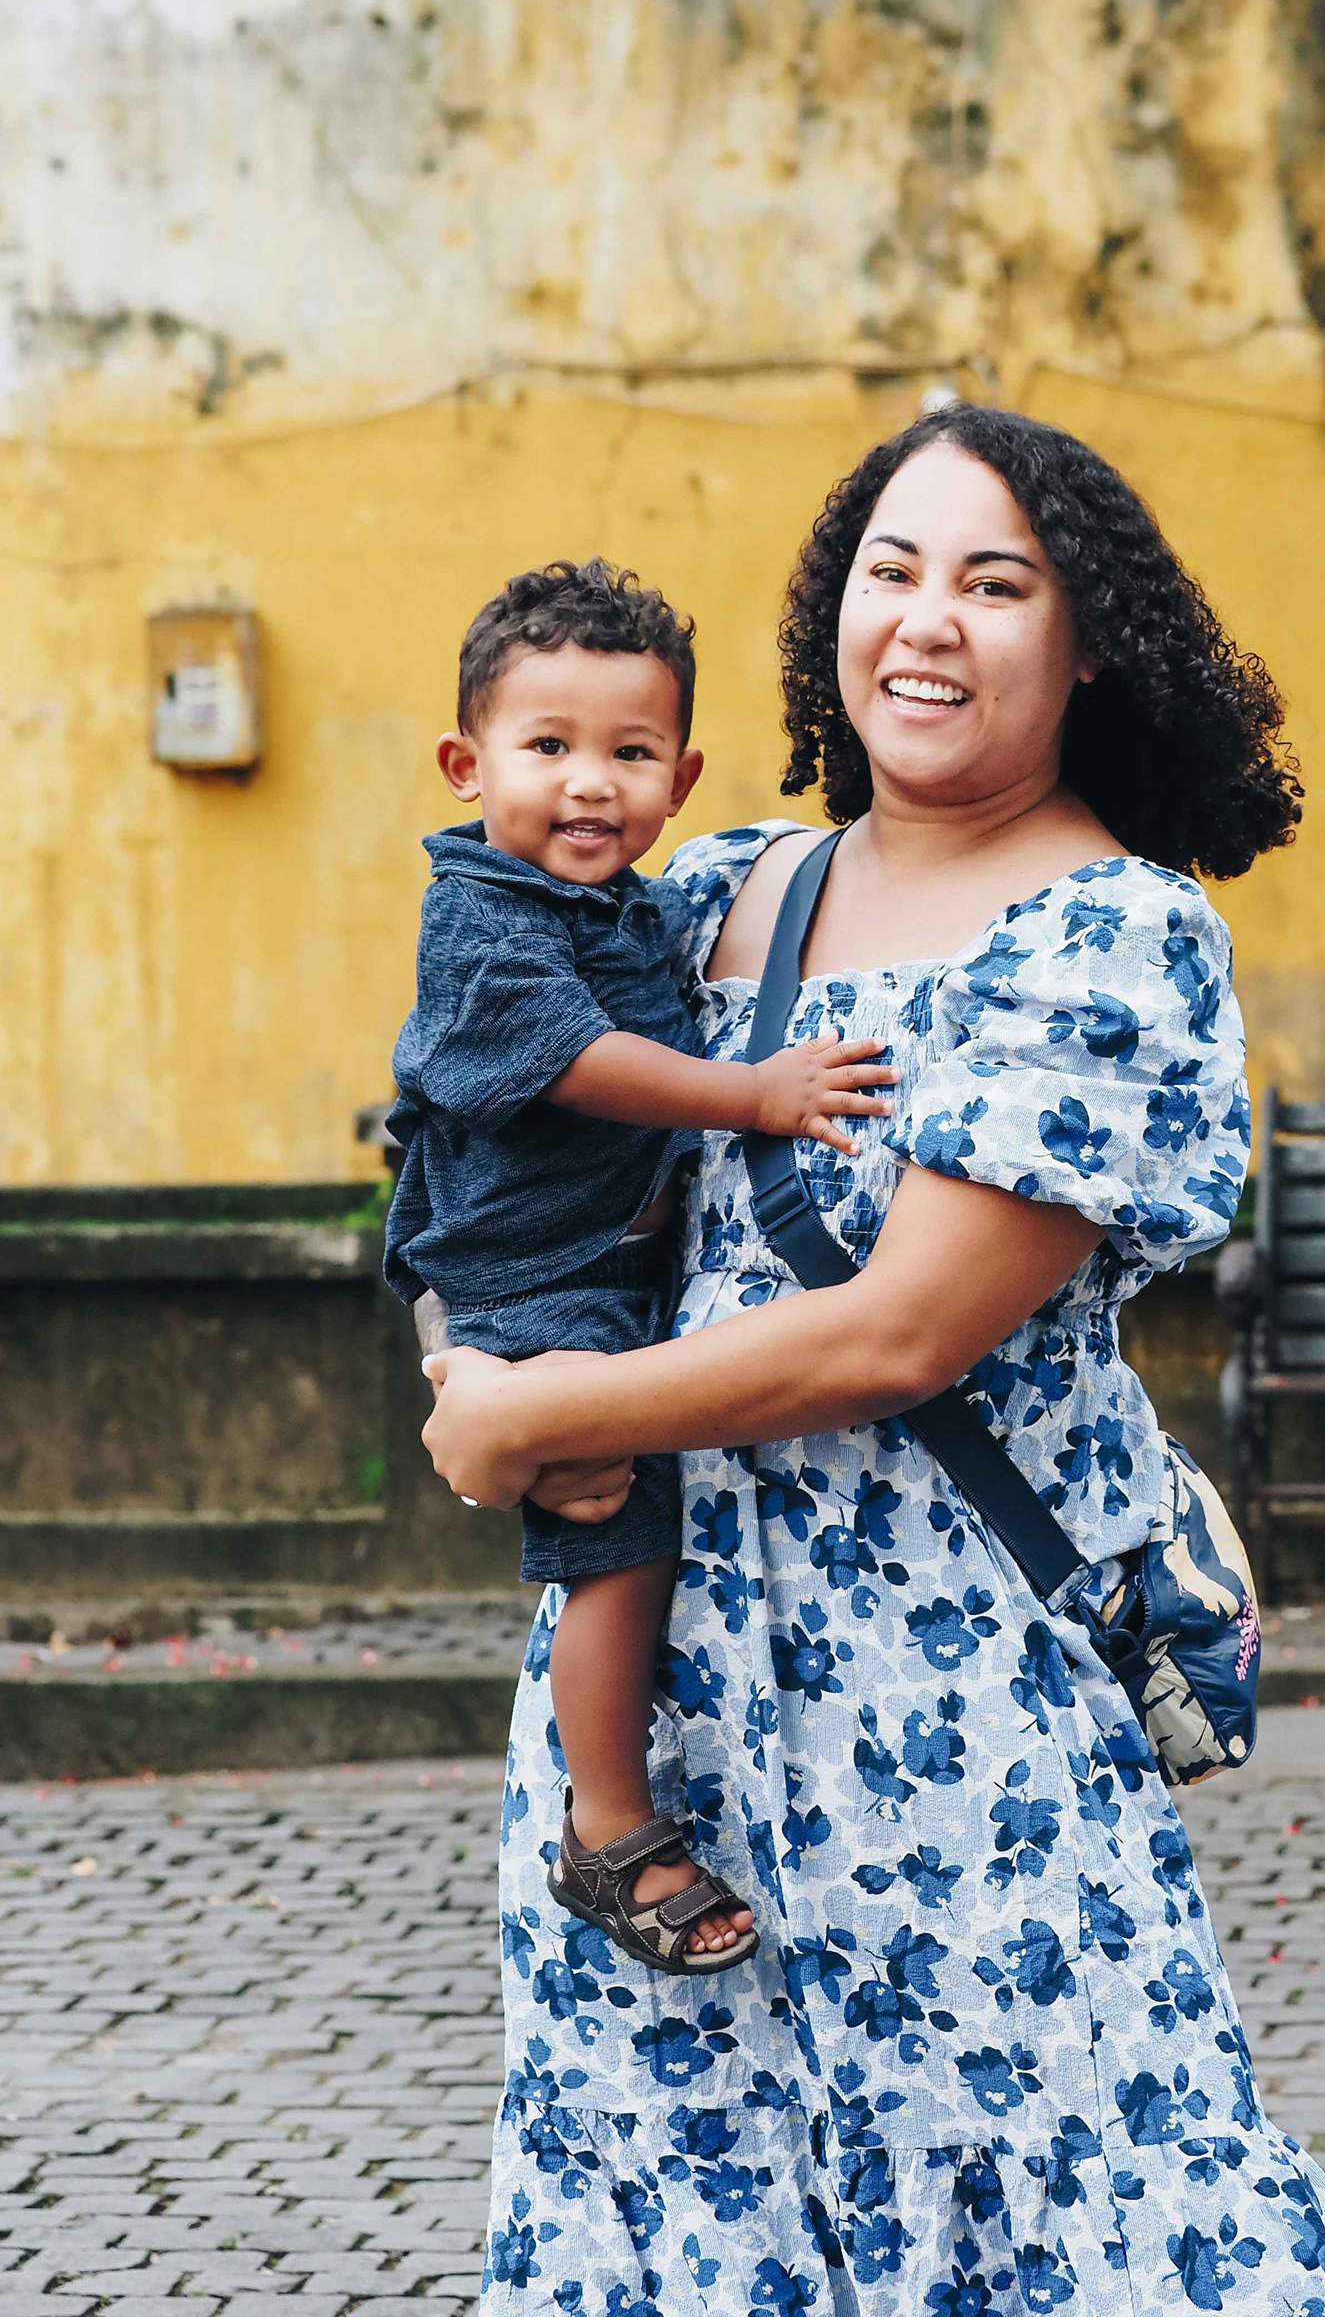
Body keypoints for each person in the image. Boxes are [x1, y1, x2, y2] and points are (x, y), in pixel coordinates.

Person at [422, 410, 1325, 2316]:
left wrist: (535, 1416)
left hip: (960, 1729)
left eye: (994, 582)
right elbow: (480, 1137)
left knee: (1086, 2200)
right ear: (832, 615)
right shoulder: (707, 901)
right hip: (668, 1731)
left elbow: (900, 1333)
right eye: (892, 570)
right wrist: (463, 1366)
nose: (928, 622)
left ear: (1089, 640)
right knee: (688, 2220)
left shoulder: (1112, 940)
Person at [386, 559, 892, 1975]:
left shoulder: (636, 907)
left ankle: (614, 1805)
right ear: (465, 763)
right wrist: (761, 1096)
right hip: (532, 1281)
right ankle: (607, 1827)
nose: (590, 784)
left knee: (620, 1509)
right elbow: (584, 1067)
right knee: (618, 1538)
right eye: (547, 748)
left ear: (684, 775)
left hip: (601, 1273)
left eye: (631, 752)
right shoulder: (484, 914)